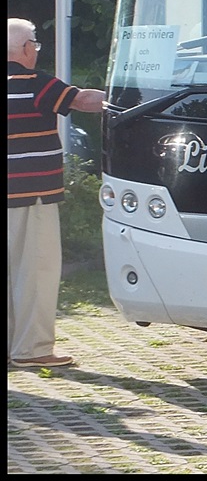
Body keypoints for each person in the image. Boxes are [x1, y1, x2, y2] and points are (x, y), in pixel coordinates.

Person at [8, 19, 106, 369]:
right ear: (25, 48)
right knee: (36, 270)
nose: (36, 50)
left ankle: (12, 345)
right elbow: (81, 100)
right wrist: (123, 97)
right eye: (34, 44)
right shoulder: (36, 83)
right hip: (31, 192)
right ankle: (33, 349)